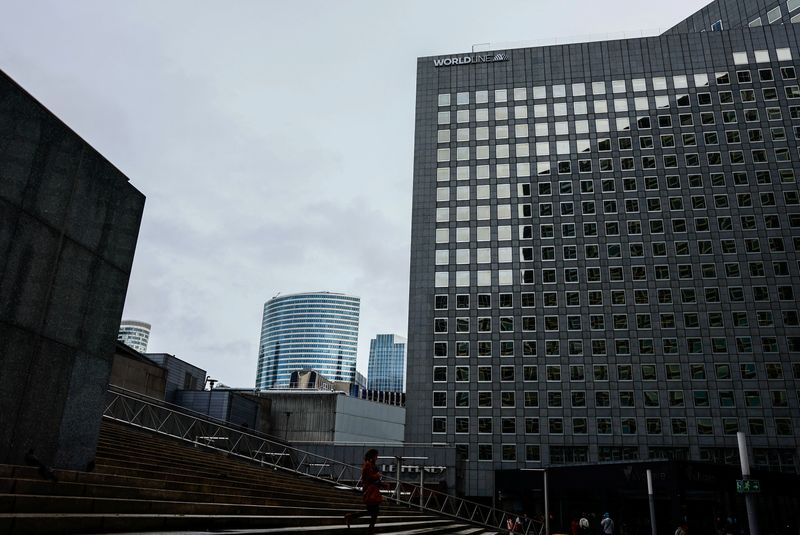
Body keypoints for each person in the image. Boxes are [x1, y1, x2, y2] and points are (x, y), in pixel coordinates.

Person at [345, 449, 383, 534]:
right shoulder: (367, 465)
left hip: (372, 489)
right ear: (372, 456)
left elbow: (374, 479)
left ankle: (350, 517)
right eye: (376, 456)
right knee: (374, 511)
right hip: (369, 491)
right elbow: (369, 478)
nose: (377, 457)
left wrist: (383, 484)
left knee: (373, 511)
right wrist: (377, 476)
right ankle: (370, 530)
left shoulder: (372, 465)